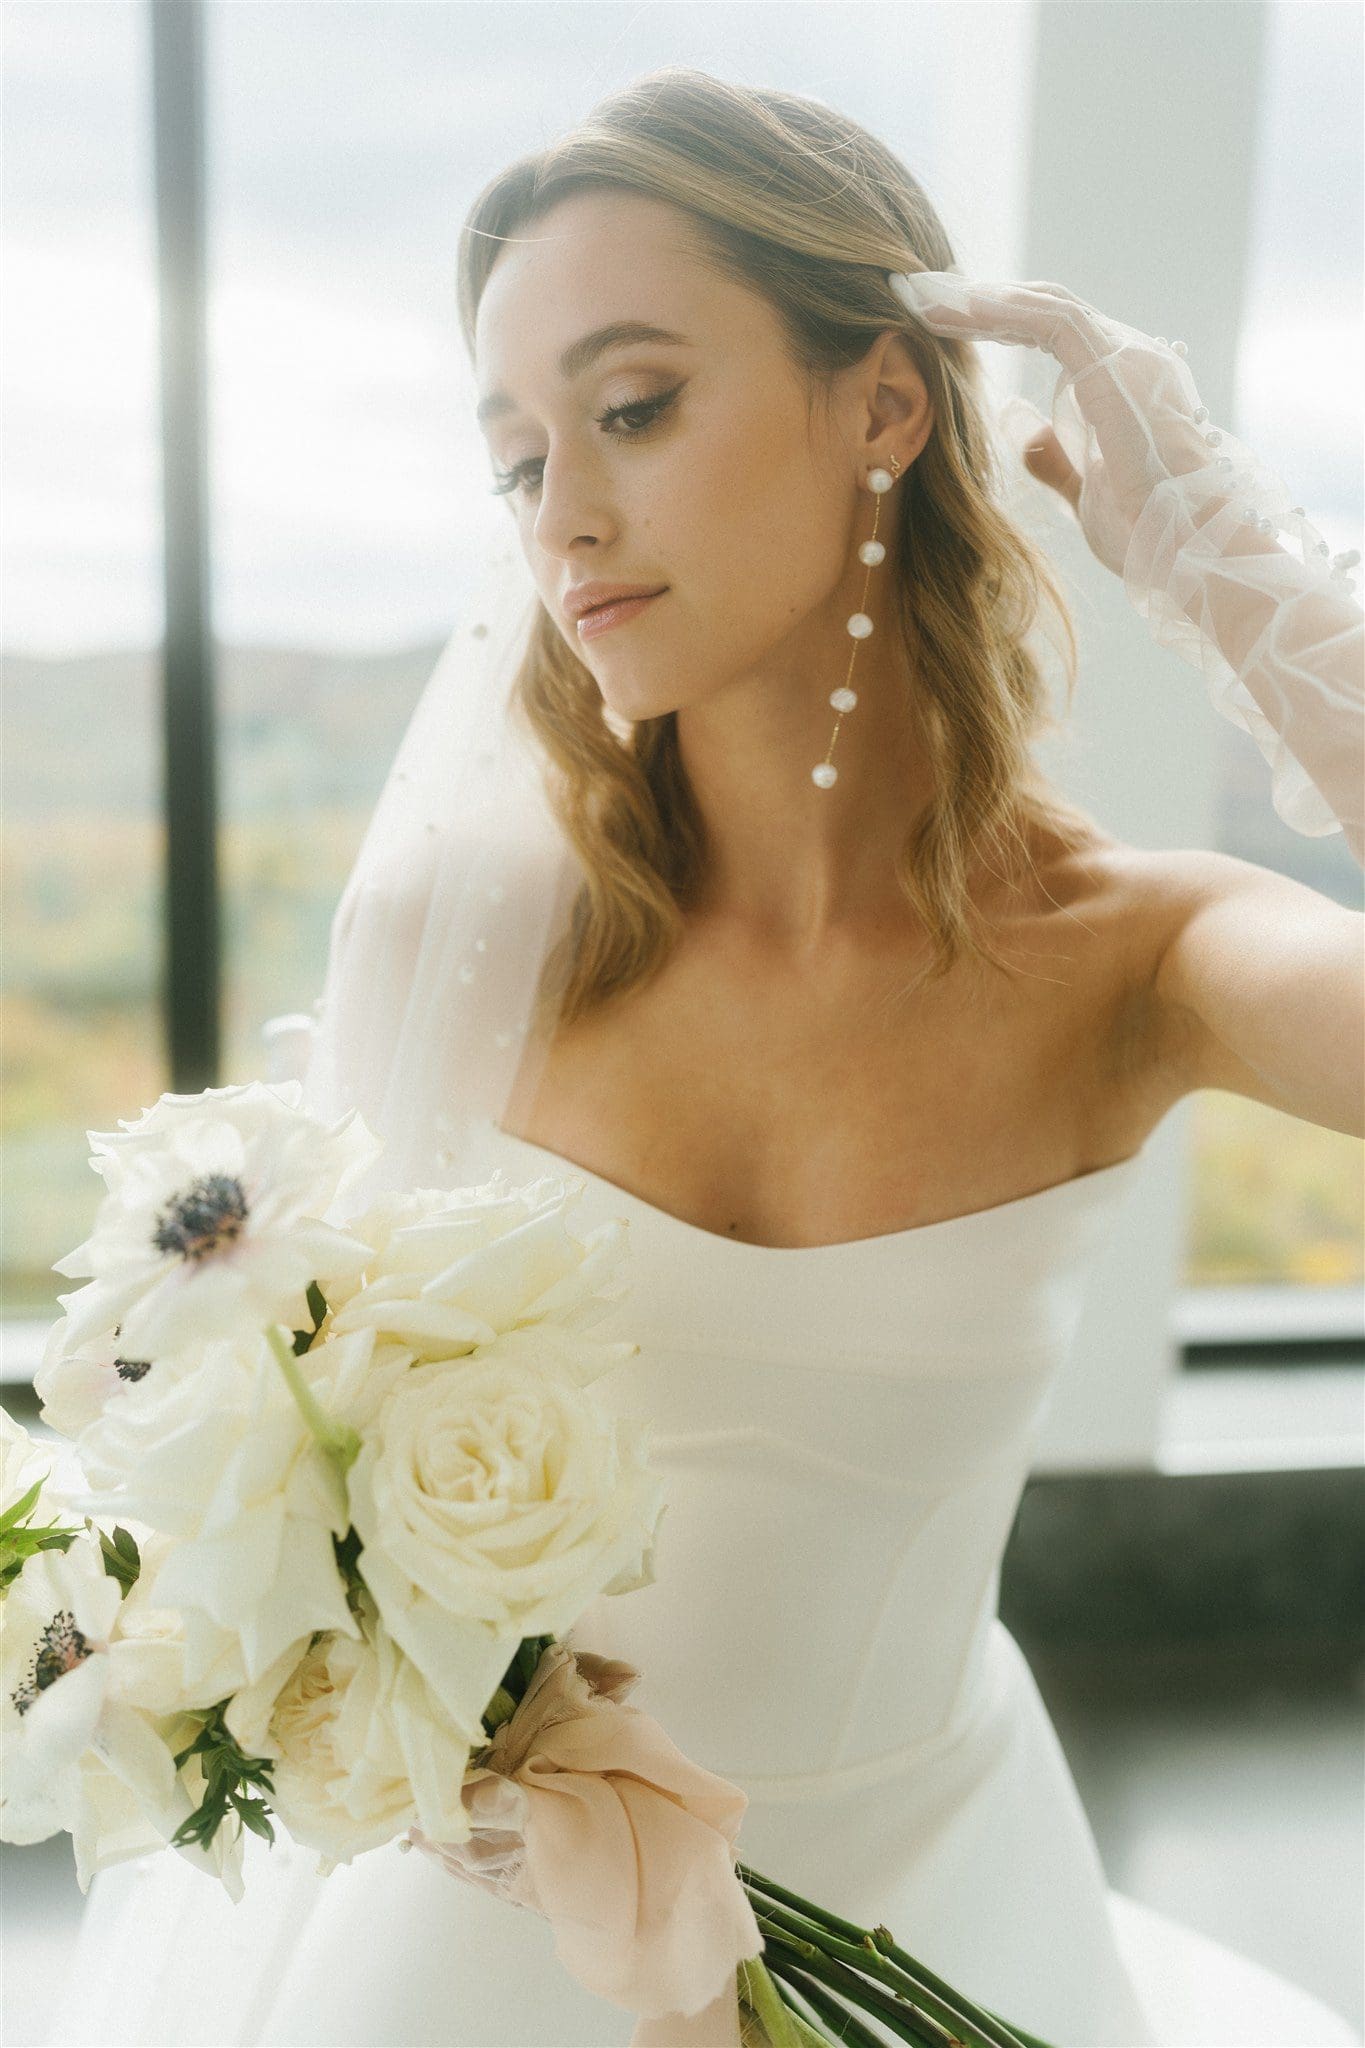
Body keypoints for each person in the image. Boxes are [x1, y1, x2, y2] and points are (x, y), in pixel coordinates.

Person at [46, 67, 1362, 2048]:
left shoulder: (1144, 956)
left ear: (883, 410)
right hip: (477, 1943)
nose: (563, 512)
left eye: (631, 406)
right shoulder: (479, 934)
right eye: (515, 457)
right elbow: (296, 1447)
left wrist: (1250, 597)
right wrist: (423, 1725)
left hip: (938, 1910)